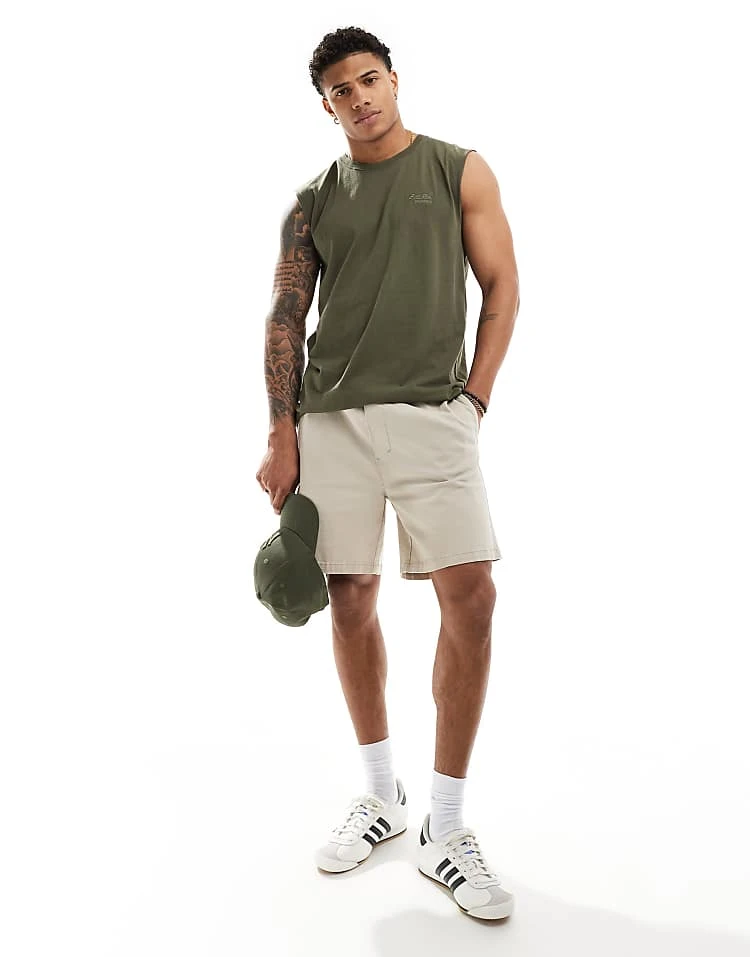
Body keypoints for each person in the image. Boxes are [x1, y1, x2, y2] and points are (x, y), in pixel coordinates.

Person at [255, 26, 520, 920]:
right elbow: (285, 316)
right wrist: (282, 431)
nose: (360, 96)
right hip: (331, 421)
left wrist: (474, 400)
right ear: (325, 104)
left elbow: (503, 287)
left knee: (471, 596)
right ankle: (382, 795)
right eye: (342, 89)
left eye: (370, 79)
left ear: (395, 81)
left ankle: (446, 824)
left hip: (435, 415)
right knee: (351, 599)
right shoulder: (311, 203)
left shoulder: (458, 169)